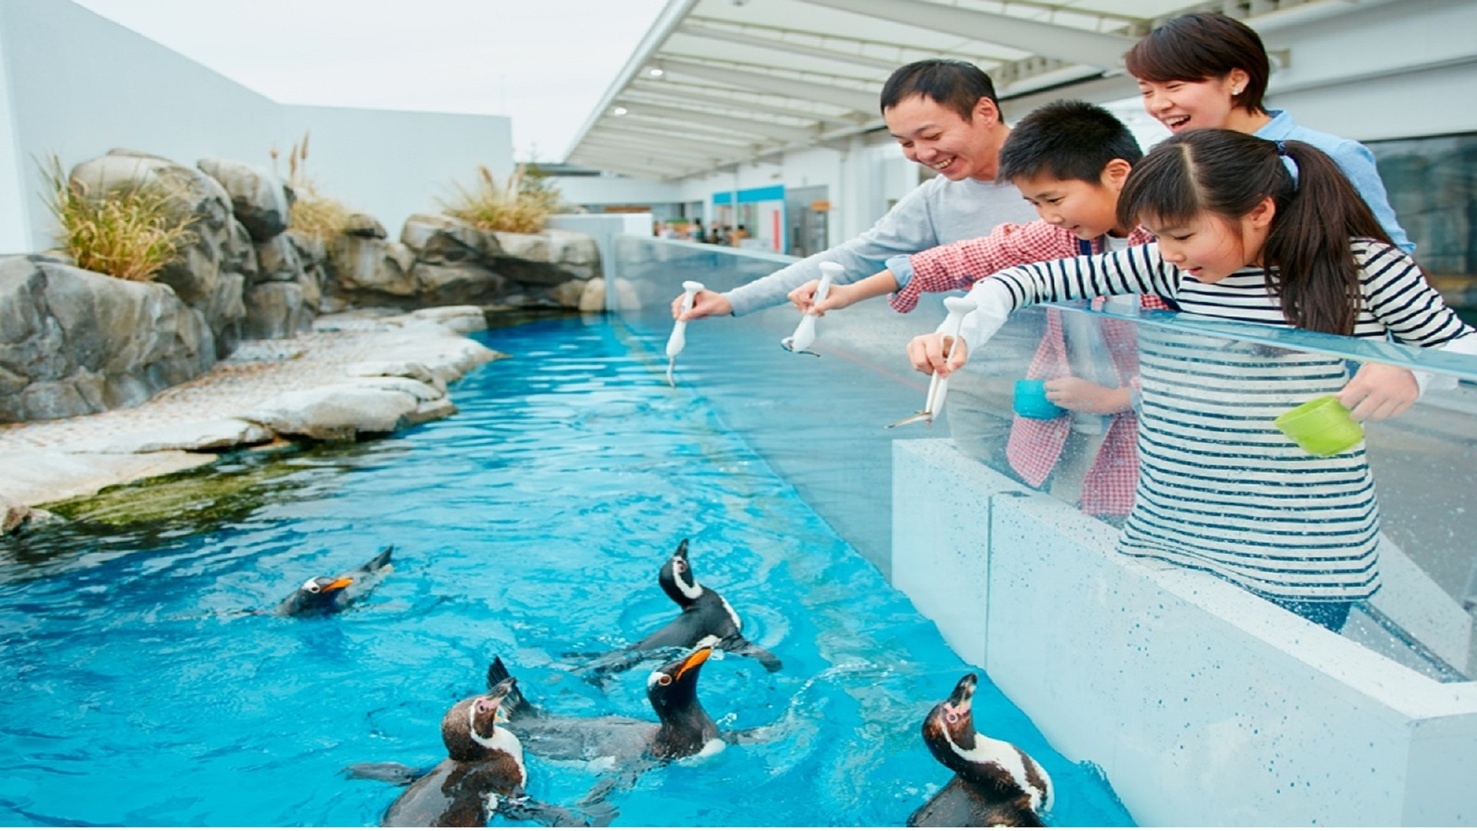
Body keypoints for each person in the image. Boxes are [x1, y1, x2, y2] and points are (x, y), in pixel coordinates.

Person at [905, 129, 1477, 631]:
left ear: (1259, 211)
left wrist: (1410, 369)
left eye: (1181, 235)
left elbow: (1461, 348)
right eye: (1155, 235)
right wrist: (962, 334)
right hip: (1172, 522)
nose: (1168, 254)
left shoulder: (1362, 265)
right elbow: (1023, 281)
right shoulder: (1167, 260)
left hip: (1300, 546)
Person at [787, 100, 1164, 518]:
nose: (1048, 216)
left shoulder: (1176, 247)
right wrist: (850, 292)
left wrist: (1120, 396)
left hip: (1154, 439)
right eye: (1034, 204)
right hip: (1080, 425)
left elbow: (1213, 359)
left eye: (1053, 199)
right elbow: (966, 259)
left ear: (1116, 174)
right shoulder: (1066, 236)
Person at [669, 59, 1035, 321]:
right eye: (905, 143)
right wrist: (733, 301)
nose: (922, 154)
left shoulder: (1072, 176)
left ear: (985, 112)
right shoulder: (934, 199)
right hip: (971, 370)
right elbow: (856, 257)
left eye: (932, 136)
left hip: (1081, 382)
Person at [1126, 10, 1413, 254]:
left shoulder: (1333, 154)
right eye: (1147, 91)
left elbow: (1390, 255)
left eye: (1174, 87)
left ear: (1236, 79)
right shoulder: (1175, 164)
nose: (1159, 104)